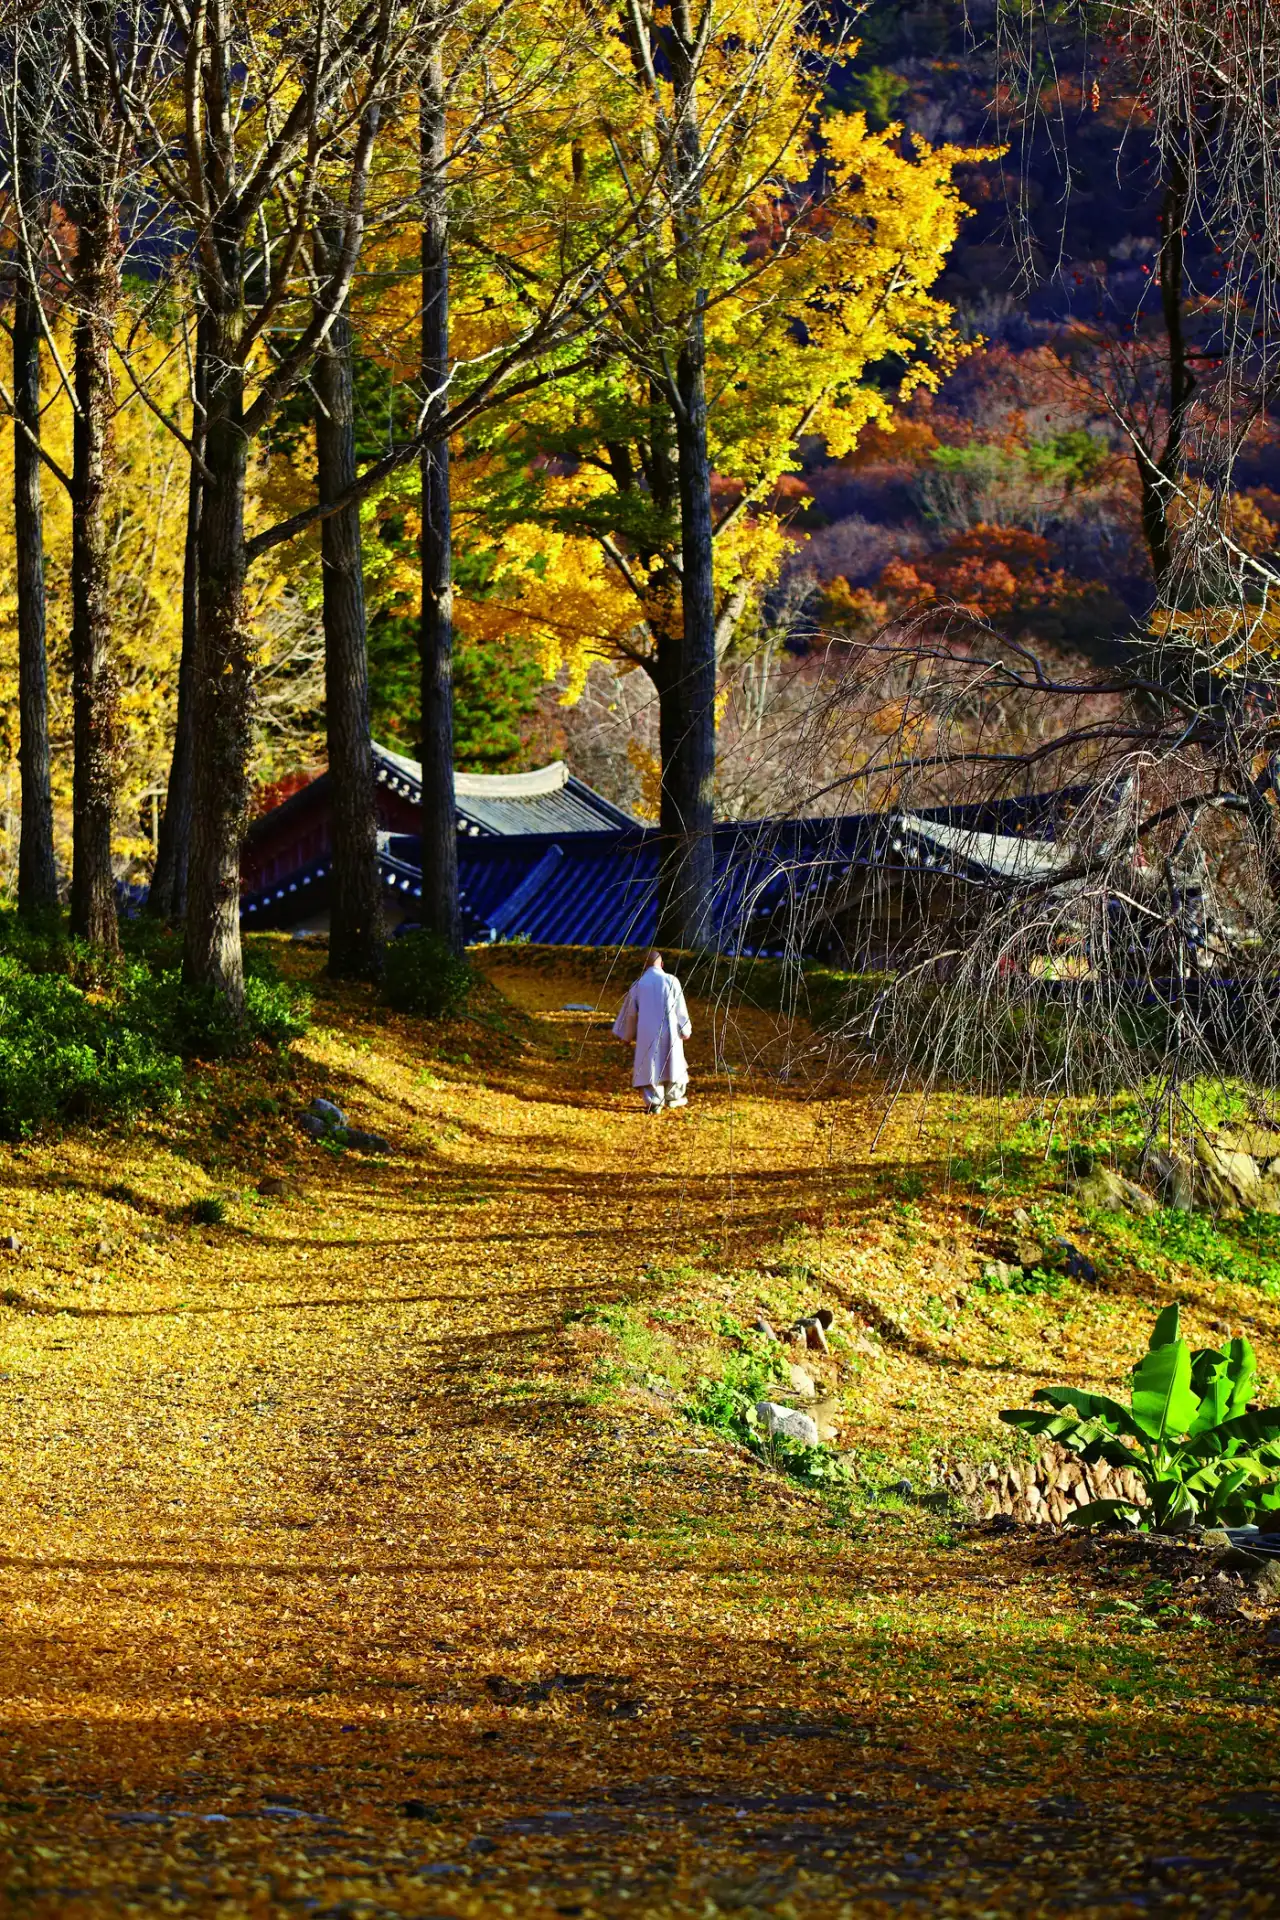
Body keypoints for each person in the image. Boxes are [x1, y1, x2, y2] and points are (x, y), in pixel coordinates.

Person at [612, 950, 693, 1112]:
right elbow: (680, 1008)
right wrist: (685, 1029)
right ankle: (673, 1097)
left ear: (645, 966)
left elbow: (631, 1014)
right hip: (670, 1030)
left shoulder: (638, 984)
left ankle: (654, 1102)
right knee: (674, 1063)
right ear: (662, 964)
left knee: (650, 1065)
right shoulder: (671, 981)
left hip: (647, 1031)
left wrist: (627, 1036)